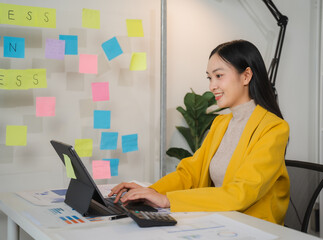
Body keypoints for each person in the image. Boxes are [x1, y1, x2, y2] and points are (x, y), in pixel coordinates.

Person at [108, 40, 290, 225]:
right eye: (210, 78)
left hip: (253, 227)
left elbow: (241, 193)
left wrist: (168, 200)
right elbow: (190, 173)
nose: (212, 86)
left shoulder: (274, 128)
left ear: (246, 76)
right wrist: (150, 192)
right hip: (220, 221)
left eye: (219, 76)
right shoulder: (221, 123)